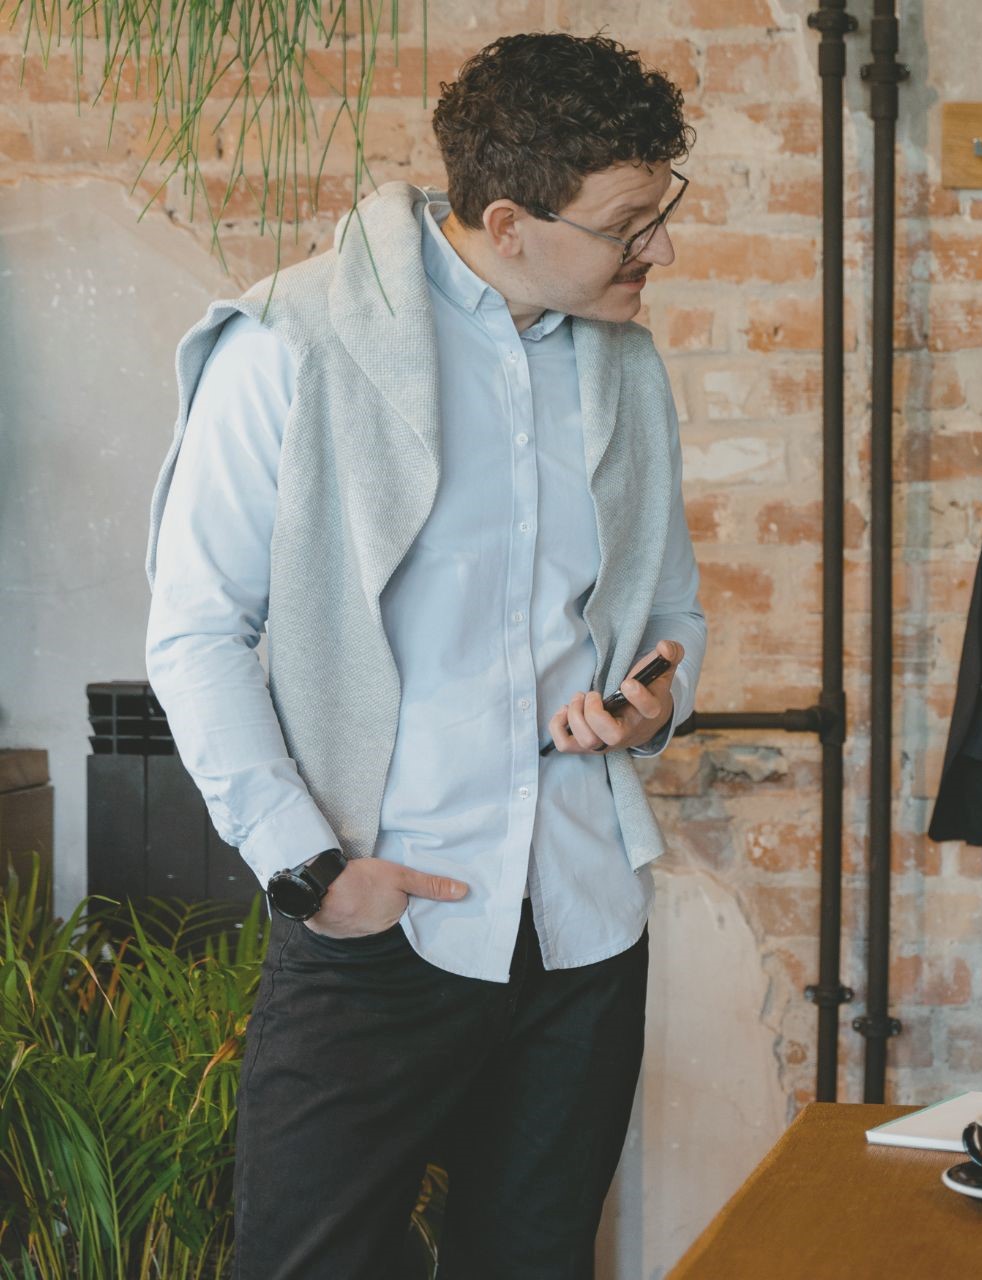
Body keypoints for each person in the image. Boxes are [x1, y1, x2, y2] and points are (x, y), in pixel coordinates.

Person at [144, 33, 704, 1278]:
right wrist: (311, 872)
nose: (656, 246)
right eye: (626, 222)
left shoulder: (626, 365)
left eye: (662, 209)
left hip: (581, 930)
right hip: (374, 923)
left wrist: (650, 704)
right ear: (507, 220)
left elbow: (672, 612)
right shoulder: (287, 342)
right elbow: (195, 631)